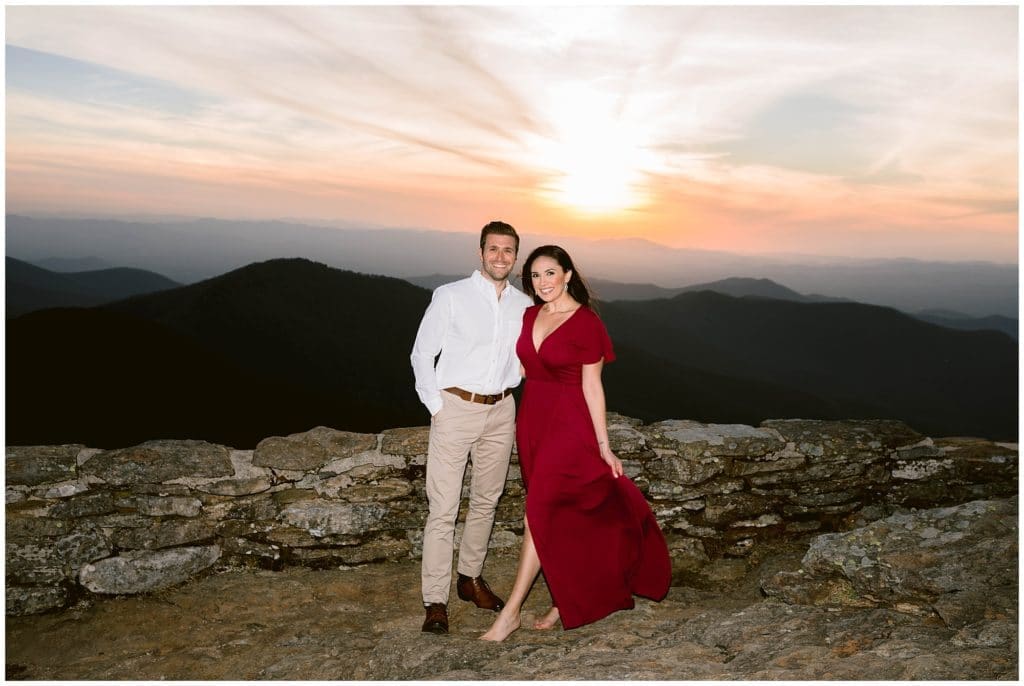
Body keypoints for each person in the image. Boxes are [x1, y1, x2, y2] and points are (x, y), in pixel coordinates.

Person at [481, 244, 671, 642]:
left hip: (569, 425)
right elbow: (519, 366)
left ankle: (510, 613)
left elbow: (593, 387)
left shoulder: (586, 324)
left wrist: (604, 446)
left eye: (550, 273)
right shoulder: (530, 314)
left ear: (568, 275)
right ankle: (563, 599)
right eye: (534, 275)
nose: (542, 282)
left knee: (539, 509)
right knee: (556, 512)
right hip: (532, 421)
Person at [410, 220, 534, 634]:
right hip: (455, 407)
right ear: (480, 252)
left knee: (487, 499)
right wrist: (437, 407)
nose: (500, 257)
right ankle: (435, 601)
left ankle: (470, 579)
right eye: (493, 249)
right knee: (443, 508)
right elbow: (421, 354)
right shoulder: (450, 297)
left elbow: (526, 356)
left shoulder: (523, 305)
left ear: (516, 257)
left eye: (508, 251)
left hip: (502, 410)